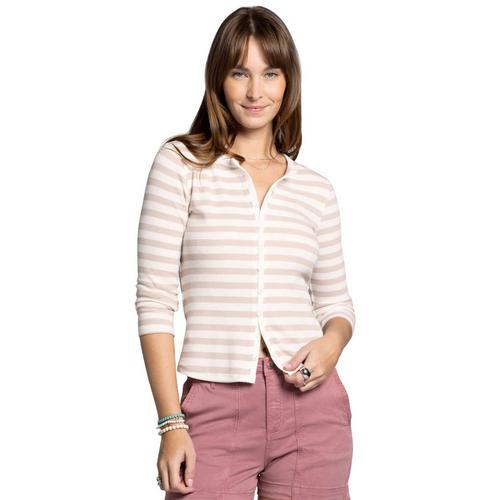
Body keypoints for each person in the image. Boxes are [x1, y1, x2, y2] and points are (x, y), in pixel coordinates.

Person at [135, 6, 356, 499]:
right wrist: (171, 423)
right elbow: (154, 299)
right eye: (240, 73)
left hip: (312, 408)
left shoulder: (315, 190)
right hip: (215, 405)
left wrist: (332, 344)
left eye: (270, 73)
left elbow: (336, 304)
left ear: (288, 81)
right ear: (219, 79)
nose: (256, 91)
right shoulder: (181, 166)